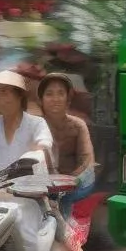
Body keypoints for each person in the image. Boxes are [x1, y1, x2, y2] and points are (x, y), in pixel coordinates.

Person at [38, 73, 95, 218]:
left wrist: (65, 183)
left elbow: (87, 160)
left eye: (60, 93)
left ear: (67, 100)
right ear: (42, 100)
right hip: (44, 184)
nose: (55, 99)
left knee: (62, 200)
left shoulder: (78, 125)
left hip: (77, 182)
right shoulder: (35, 125)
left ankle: (65, 230)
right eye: (49, 94)